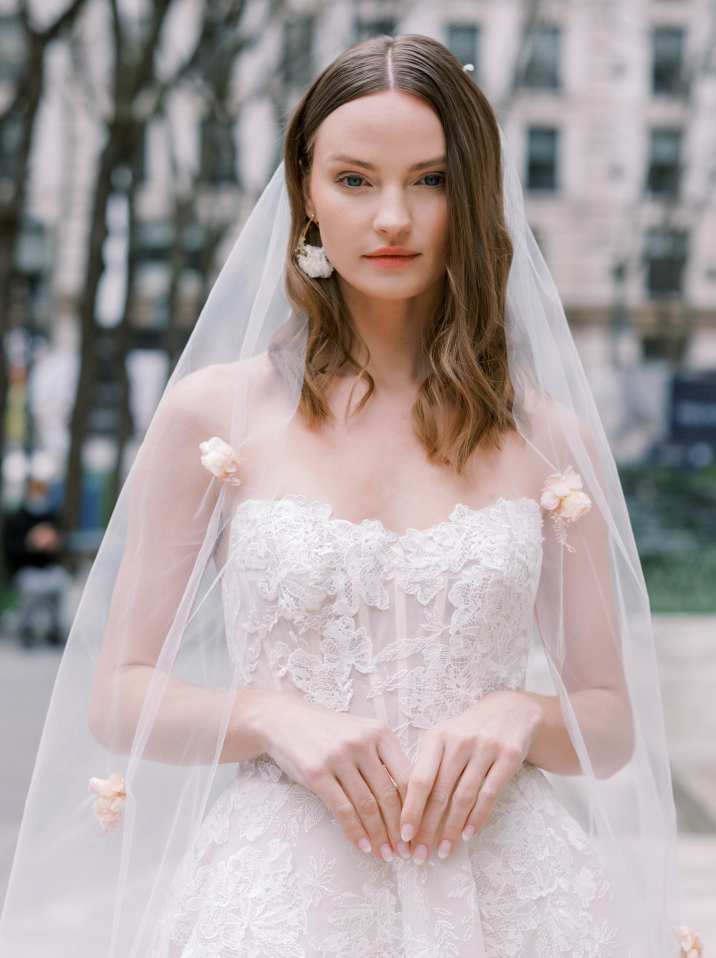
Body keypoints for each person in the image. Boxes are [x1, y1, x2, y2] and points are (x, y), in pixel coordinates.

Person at [0, 34, 700, 958]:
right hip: (286, 892)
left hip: (513, 896)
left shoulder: (546, 437)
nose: (394, 217)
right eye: (356, 180)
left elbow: (608, 724)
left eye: (432, 179)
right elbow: (119, 697)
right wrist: (266, 715)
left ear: (475, 193)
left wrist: (522, 714)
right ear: (306, 193)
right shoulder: (216, 414)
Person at [3, 477, 69, 647]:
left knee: (61, 581)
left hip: (47, 569)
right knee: (31, 587)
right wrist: (30, 543)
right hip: (25, 570)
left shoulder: (51, 518)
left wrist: (54, 543)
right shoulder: (16, 519)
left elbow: (62, 547)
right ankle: (27, 629)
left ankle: (54, 628)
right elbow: (10, 549)